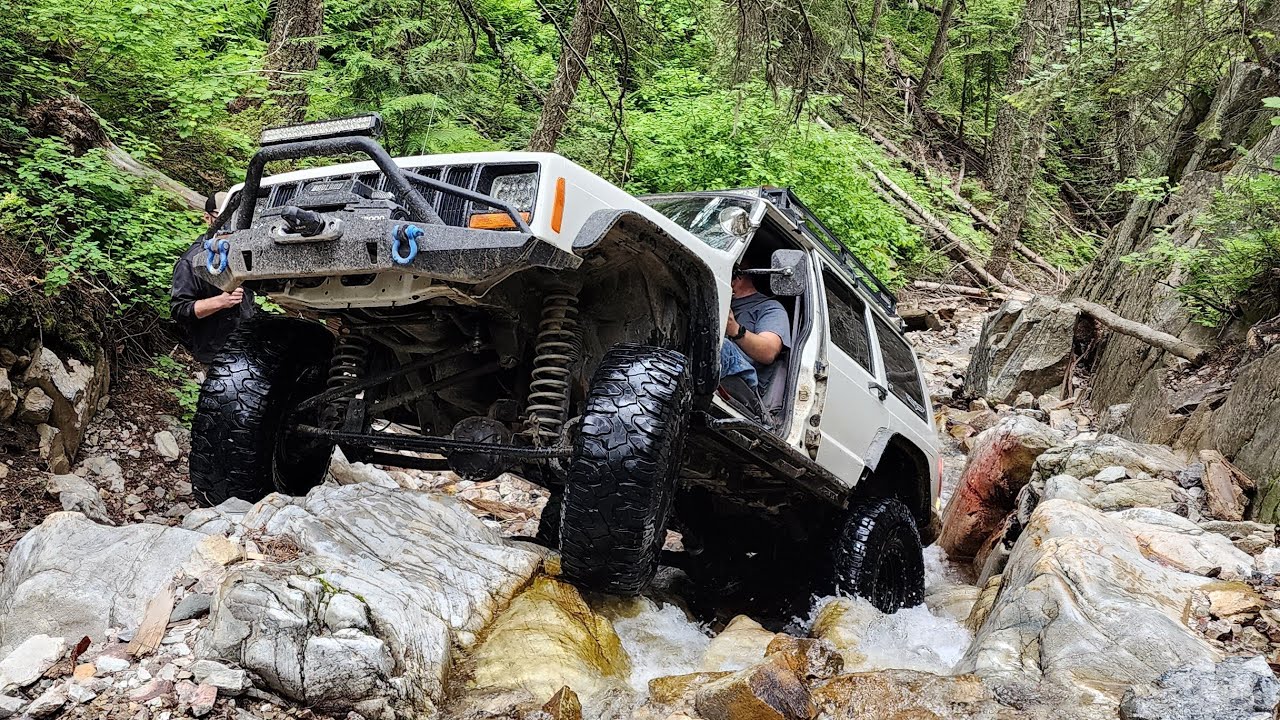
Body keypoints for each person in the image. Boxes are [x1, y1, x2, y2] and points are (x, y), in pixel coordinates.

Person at [170, 192, 255, 364]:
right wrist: (221, 302)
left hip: (246, 349)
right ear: (207, 218)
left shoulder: (244, 253)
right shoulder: (191, 260)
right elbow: (179, 310)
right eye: (221, 216)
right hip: (211, 356)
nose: (228, 222)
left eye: (234, 216)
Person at [720, 267, 792, 422]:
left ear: (741, 275)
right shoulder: (718, 295)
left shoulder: (771, 308)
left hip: (745, 382)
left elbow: (769, 351)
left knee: (719, 345)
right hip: (718, 367)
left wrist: (735, 330)